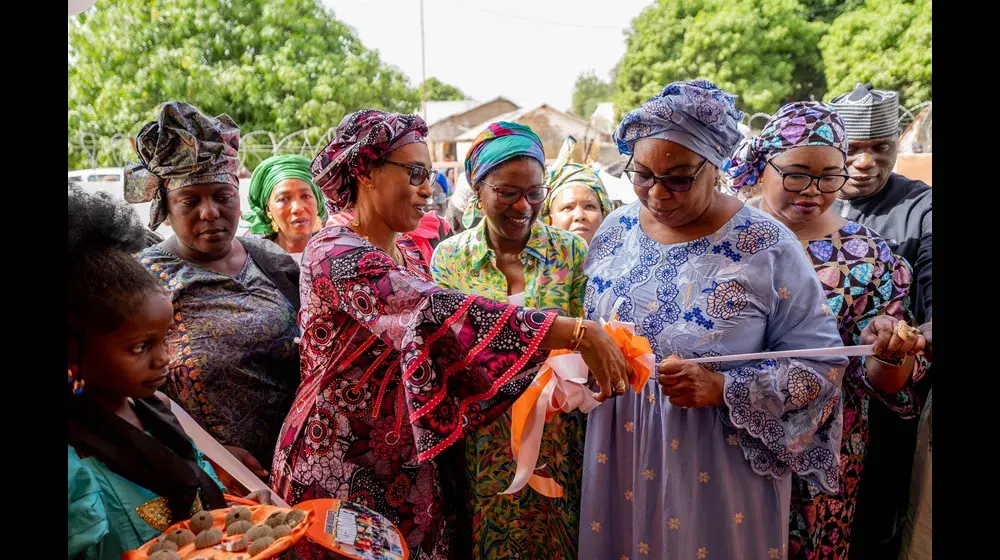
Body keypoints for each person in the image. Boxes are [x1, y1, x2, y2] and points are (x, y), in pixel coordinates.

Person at [268, 109, 631, 560]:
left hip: (411, 470)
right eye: (416, 172)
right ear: (365, 171)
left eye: (429, 174)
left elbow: (450, 351)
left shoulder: (408, 254)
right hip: (339, 462)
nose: (427, 189)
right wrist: (574, 333)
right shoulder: (334, 253)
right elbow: (435, 314)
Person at [578, 80, 850, 560]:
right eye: (641, 174)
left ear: (717, 167)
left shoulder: (767, 246)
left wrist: (725, 388)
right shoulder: (615, 230)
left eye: (679, 178)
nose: (657, 193)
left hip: (715, 472)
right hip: (617, 456)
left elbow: (822, 364)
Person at [726, 101, 927, 559]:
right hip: (727, 436)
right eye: (796, 173)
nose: (812, 191)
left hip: (826, 454)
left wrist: (890, 351)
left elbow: (885, 384)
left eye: (829, 177)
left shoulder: (870, 257)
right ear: (763, 167)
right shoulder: (723, 238)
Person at [430, 123, 589, 559]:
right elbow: (452, 348)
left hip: (560, 435)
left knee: (559, 537)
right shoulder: (450, 258)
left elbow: (583, 340)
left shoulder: (569, 252)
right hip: (486, 438)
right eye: (507, 193)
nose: (524, 205)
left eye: (535, 193)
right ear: (478, 190)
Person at [124, 101, 301, 481]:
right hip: (208, 477)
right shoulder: (144, 280)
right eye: (190, 201)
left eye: (222, 196)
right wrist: (205, 451)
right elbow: (128, 388)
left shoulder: (271, 260)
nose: (210, 212)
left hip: (299, 463)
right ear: (165, 207)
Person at [67, 187, 230, 559]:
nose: (164, 360)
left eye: (165, 339)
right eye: (140, 347)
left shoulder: (155, 409)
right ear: (73, 349)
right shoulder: (74, 459)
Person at [828, 83, 933, 559]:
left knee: (873, 531)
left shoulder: (922, 209)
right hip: (804, 406)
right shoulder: (805, 201)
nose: (866, 161)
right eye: (852, 149)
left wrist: (911, 339)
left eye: (881, 148)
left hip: (887, 410)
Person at [242, 154, 329, 264]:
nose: (297, 208)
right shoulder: (253, 260)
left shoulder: (336, 255)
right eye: (283, 199)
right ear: (268, 210)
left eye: (305, 196)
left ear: (318, 204)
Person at [540, 136, 614, 244]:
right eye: (567, 208)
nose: (579, 216)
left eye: (589, 206)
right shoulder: (531, 260)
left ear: (604, 213)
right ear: (550, 219)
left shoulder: (625, 258)